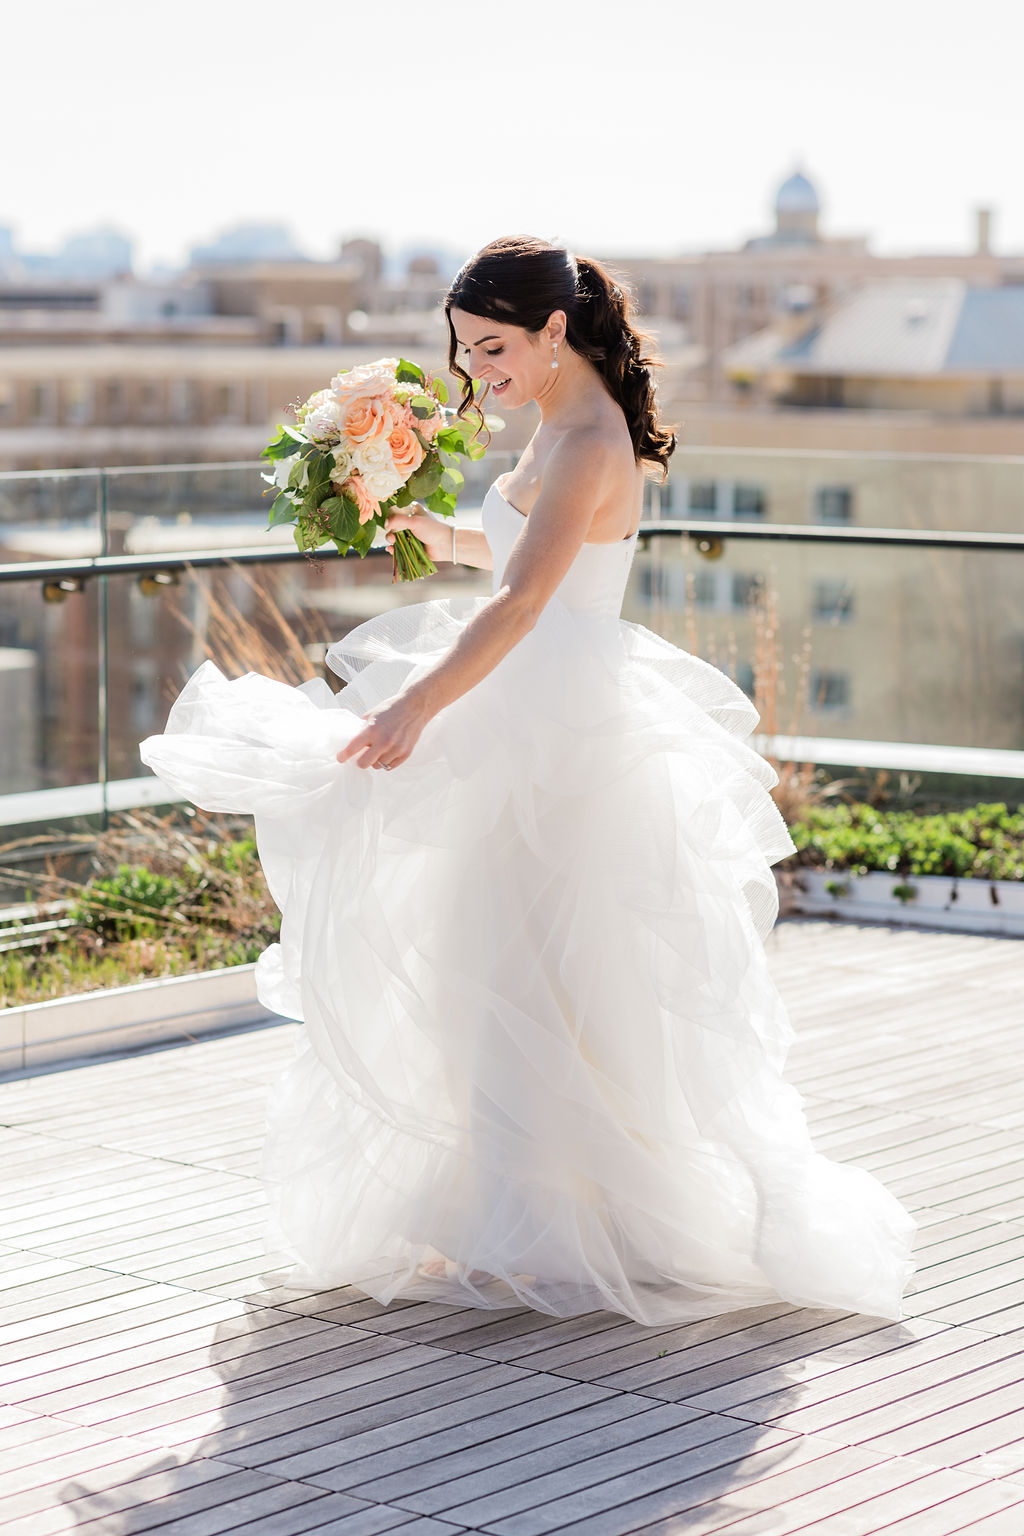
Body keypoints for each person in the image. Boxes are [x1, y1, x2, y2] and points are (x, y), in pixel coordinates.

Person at [140, 235, 917, 1326]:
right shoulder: (559, 421)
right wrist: (429, 529)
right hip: (526, 702)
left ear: (555, 329)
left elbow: (521, 605)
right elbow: (516, 557)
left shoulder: (591, 439)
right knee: (489, 972)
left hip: (557, 730)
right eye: (464, 354)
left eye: (492, 349)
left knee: (542, 976)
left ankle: (563, 1228)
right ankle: (509, 1212)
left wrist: (418, 702)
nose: (477, 376)